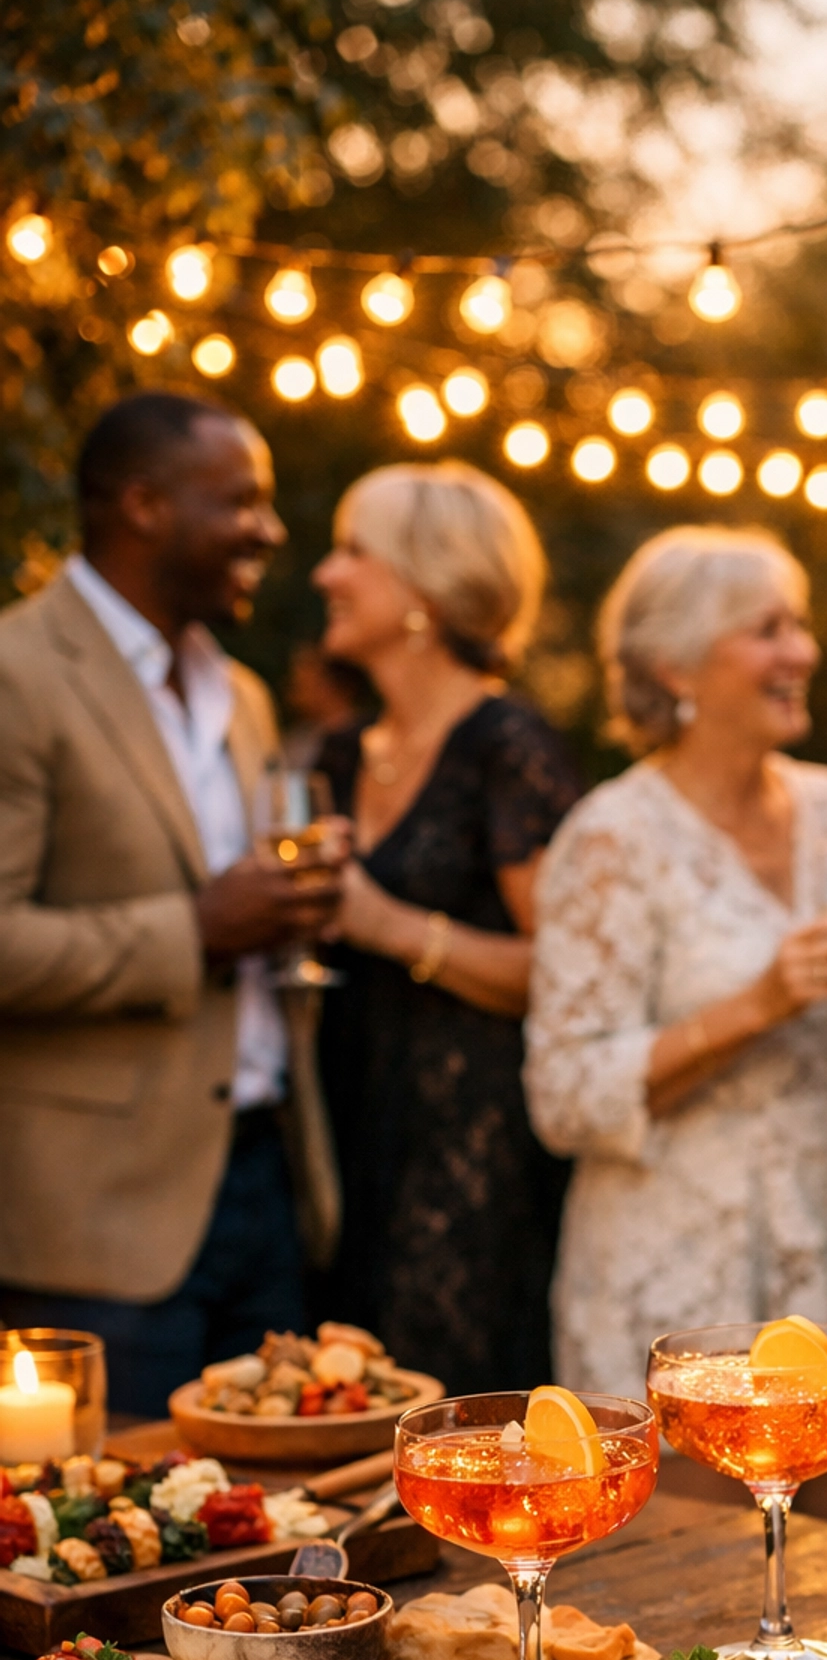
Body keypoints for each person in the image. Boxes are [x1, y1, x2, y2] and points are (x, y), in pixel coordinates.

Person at [0, 391, 339, 1416]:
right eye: (239, 502)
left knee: (272, 1510)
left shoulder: (243, 694)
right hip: (97, 1222)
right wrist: (195, 929)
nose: (268, 532)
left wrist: (298, 903)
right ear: (144, 505)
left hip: (266, 1186)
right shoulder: (18, 674)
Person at [524, 525, 827, 1398]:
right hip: (676, 1266)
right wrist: (757, 1006)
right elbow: (564, 1097)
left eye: (800, 625)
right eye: (767, 630)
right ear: (675, 668)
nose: (802, 652)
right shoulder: (612, 837)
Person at [312, 462, 580, 1396]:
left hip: (470, 1155)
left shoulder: (508, 749)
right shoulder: (339, 753)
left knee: (456, 1416)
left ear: (423, 585)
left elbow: (565, 972)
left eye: (352, 552)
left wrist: (390, 926)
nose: (326, 575)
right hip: (347, 1129)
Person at [280, 642, 370, 772]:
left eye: (304, 684)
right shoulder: (298, 739)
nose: (292, 689)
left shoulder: (367, 739)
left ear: (334, 685)